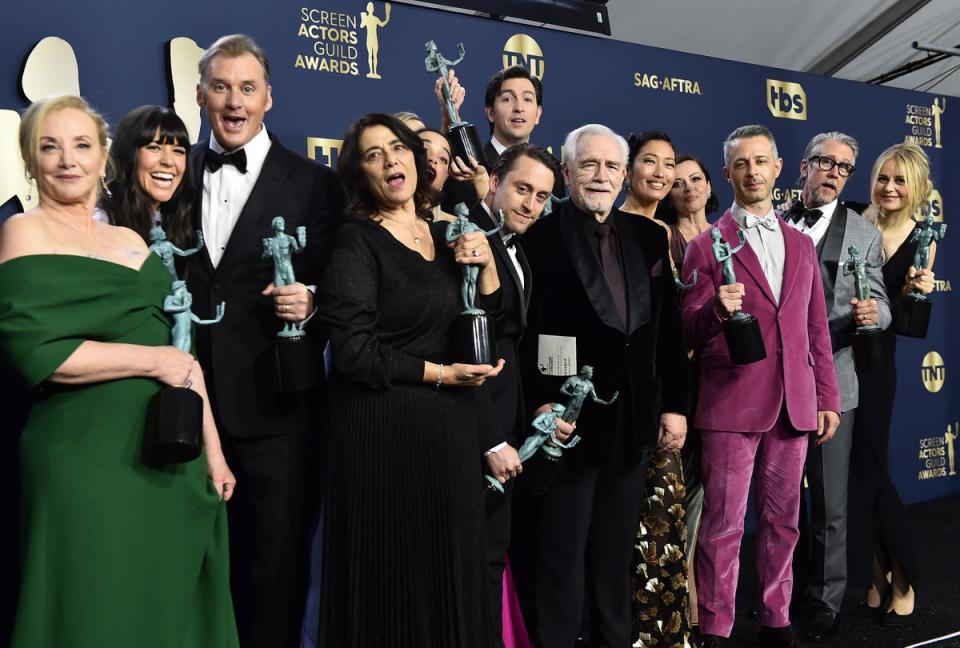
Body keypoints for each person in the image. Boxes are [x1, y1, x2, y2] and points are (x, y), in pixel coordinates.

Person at [0, 94, 237, 648]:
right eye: (49, 147)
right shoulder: (22, 233)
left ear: (104, 156)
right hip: (80, 460)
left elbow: (182, 349)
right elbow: (45, 355)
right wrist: (154, 361)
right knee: (90, 605)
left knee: (163, 604)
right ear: (30, 160)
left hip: (167, 456)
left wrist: (214, 450)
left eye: (82, 145)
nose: (67, 160)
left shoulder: (131, 241)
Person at [315, 113, 504, 647]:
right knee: (393, 585)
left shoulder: (448, 233)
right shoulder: (356, 243)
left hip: (449, 435)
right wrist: (443, 373)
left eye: (396, 148)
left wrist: (487, 262)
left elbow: (500, 316)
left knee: (450, 575)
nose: (390, 161)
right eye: (373, 155)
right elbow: (354, 353)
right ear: (360, 175)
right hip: (381, 434)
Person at [186, 34, 343, 648]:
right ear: (200, 95)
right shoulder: (170, 171)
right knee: (188, 567)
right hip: (181, 404)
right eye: (221, 87)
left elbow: (343, 282)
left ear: (269, 98)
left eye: (247, 88)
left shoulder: (314, 182)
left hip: (278, 408)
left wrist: (314, 301)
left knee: (274, 572)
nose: (233, 102)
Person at [516, 124, 688, 648]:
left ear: (625, 175)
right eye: (588, 165)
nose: (601, 176)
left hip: (633, 426)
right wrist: (539, 402)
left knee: (616, 561)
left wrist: (675, 406)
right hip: (567, 427)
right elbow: (522, 334)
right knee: (560, 561)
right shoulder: (536, 240)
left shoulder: (649, 236)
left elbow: (667, 331)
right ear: (566, 172)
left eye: (612, 166)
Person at [679, 124, 840, 648]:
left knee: (784, 523)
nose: (752, 171)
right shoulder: (706, 245)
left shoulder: (801, 245)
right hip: (729, 402)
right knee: (723, 525)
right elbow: (687, 327)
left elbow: (815, 328)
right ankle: (717, 626)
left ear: (777, 168)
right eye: (740, 163)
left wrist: (827, 399)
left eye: (761, 161)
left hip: (794, 403)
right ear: (727, 173)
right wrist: (714, 314)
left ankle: (776, 617)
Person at [781, 131, 891, 642]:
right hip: (775, 382)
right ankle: (777, 596)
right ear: (803, 167)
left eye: (844, 167)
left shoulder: (865, 233)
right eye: (824, 162)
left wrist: (877, 313)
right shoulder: (774, 221)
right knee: (777, 503)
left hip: (836, 384)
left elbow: (885, 304)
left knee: (830, 504)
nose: (833, 172)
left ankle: (825, 601)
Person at [463, 142, 568, 645]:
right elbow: (458, 351)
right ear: (494, 181)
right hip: (472, 434)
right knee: (473, 564)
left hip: (508, 428)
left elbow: (515, 349)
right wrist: (489, 440)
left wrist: (538, 411)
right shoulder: (468, 240)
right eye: (522, 189)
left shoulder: (517, 248)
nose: (530, 204)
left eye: (542, 196)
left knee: (492, 558)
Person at [847, 142, 936, 627]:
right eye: (883, 178)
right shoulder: (855, 221)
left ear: (917, 186)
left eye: (900, 180)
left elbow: (906, 323)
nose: (890, 188)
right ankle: (876, 577)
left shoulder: (923, 236)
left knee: (873, 470)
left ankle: (907, 578)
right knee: (853, 478)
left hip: (879, 365)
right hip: (838, 359)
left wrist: (917, 295)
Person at [615, 129, 692, 647]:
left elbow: (670, 331)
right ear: (626, 168)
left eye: (669, 164)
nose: (661, 173)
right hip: (612, 409)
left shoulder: (666, 235)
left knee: (661, 527)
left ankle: (662, 635)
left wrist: (675, 406)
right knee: (615, 534)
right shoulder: (602, 225)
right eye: (650, 161)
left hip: (660, 401)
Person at [437, 65, 562, 212]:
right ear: (491, 112)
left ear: (538, 114)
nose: (519, 108)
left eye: (527, 99)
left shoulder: (551, 171)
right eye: (507, 99)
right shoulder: (467, 168)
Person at [102, 105, 198, 261]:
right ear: (128, 154)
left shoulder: (181, 219)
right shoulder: (103, 222)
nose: (168, 161)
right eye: (154, 148)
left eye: (178, 151)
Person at [660, 154, 719, 273]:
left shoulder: (726, 235)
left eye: (695, 179)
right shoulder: (663, 236)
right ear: (668, 197)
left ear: (708, 187)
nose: (689, 187)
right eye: (677, 184)